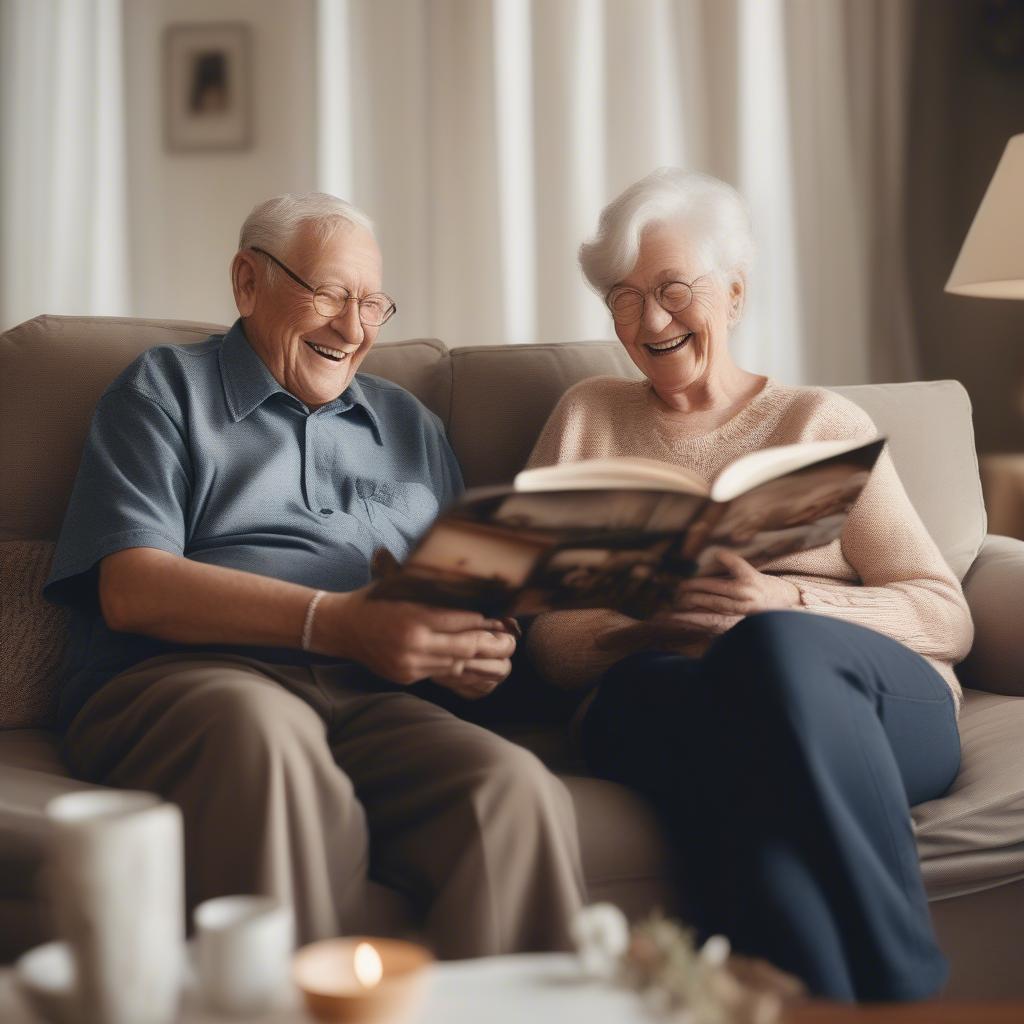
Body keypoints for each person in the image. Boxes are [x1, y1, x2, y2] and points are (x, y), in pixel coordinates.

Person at [45, 193, 584, 955]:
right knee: (267, 737)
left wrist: (473, 649)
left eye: (372, 303)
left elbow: (470, 592)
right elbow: (131, 587)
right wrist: (338, 621)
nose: (353, 327)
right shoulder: (162, 391)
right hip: (190, 679)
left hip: (372, 701)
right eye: (330, 293)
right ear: (247, 281)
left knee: (511, 789)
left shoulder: (410, 427)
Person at [525, 169, 972, 1002]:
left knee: (769, 651)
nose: (650, 319)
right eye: (624, 297)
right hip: (671, 691)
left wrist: (788, 600)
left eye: (673, 289)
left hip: (862, 704)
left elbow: (946, 615)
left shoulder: (817, 424)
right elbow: (550, 642)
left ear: (733, 294)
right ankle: (887, 1001)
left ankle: (885, 989)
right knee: (708, 728)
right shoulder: (587, 417)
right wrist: (647, 625)